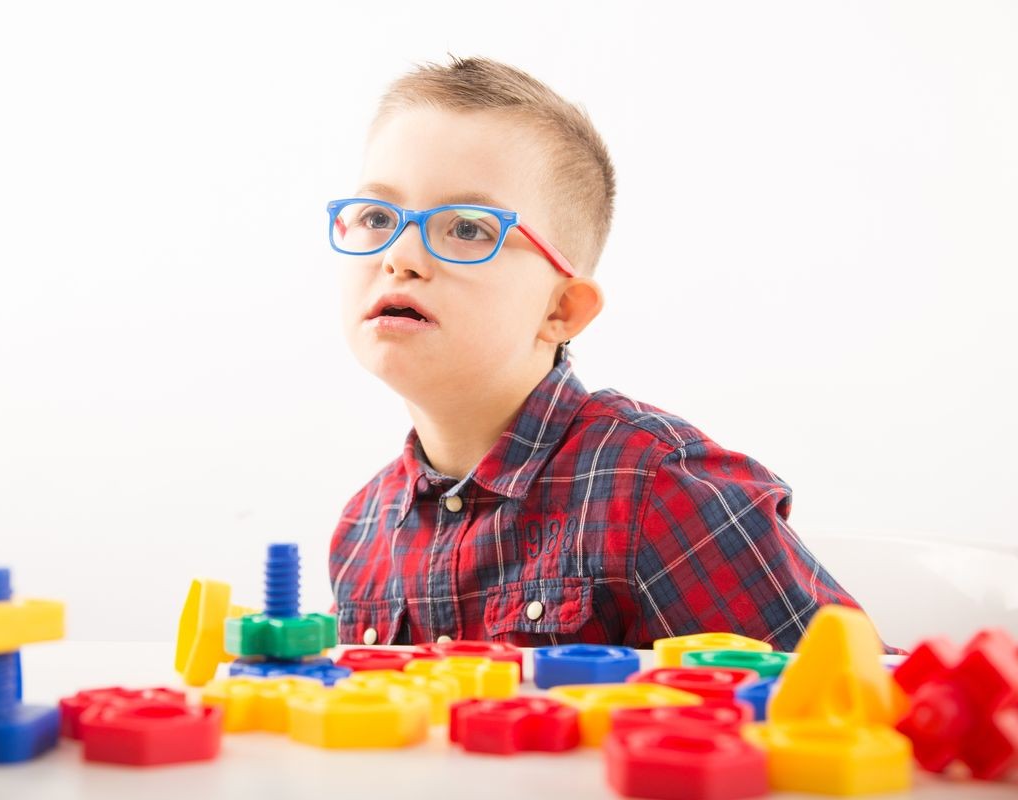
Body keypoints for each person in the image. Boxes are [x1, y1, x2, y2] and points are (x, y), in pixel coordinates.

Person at [327, 55, 897, 653]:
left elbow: (857, 700)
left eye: (467, 228)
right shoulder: (362, 529)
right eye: (375, 216)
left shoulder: (659, 489)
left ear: (561, 311)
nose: (400, 256)